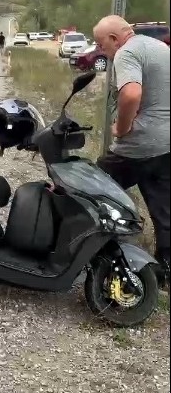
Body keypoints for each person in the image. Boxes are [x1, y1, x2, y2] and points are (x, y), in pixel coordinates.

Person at [93, 15, 170, 282]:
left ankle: (92, 252)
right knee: (164, 210)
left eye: (101, 45)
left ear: (114, 39)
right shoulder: (159, 47)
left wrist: (122, 127)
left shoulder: (127, 52)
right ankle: (166, 272)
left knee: (90, 188)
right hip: (166, 144)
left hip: (140, 144)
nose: (102, 51)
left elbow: (131, 94)